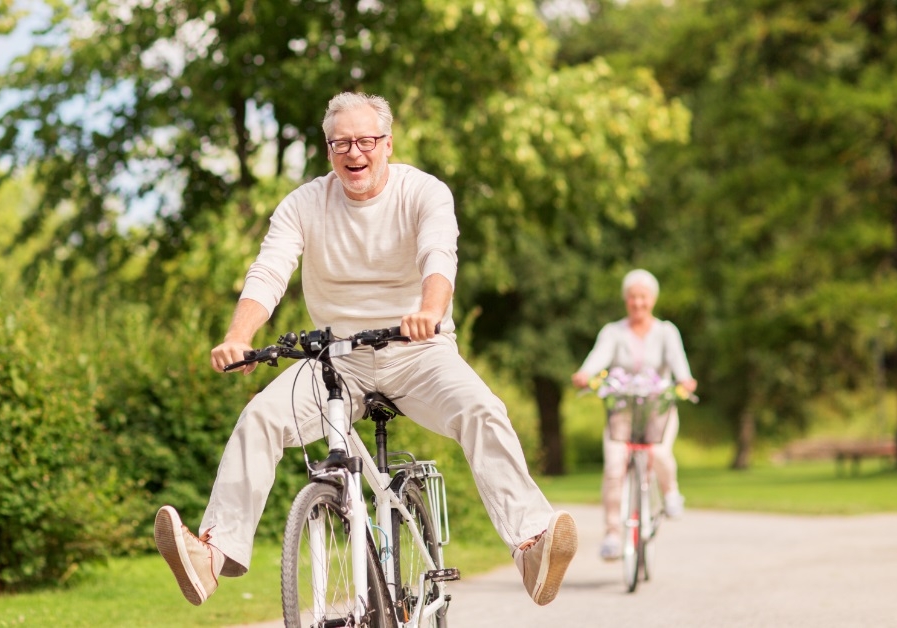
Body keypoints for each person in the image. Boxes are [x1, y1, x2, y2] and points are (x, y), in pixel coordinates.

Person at [153, 91, 578, 608]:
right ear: (328, 150)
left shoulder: (423, 192)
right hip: (337, 360)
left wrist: (429, 310)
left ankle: (531, 544)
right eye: (341, 144)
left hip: (419, 351)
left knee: (482, 410)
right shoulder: (304, 203)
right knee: (259, 418)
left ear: (387, 144)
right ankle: (211, 556)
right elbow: (269, 271)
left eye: (366, 141)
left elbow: (439, 256)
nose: (355, 153)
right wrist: (238, 337)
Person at [570, 269, 697, 561]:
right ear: (626, 300)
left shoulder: (667, 332)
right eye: (632, 297)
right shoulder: (613, 332)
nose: (637, 303)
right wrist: (585, 374)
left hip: (658, 409)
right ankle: (613, 534)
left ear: (652, 300)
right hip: (623, 411)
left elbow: (680, 366)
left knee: (660, 453)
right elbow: (597, 358)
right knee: (614, 466)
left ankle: (670, 493)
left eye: (643, 297)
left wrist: (685, 381)